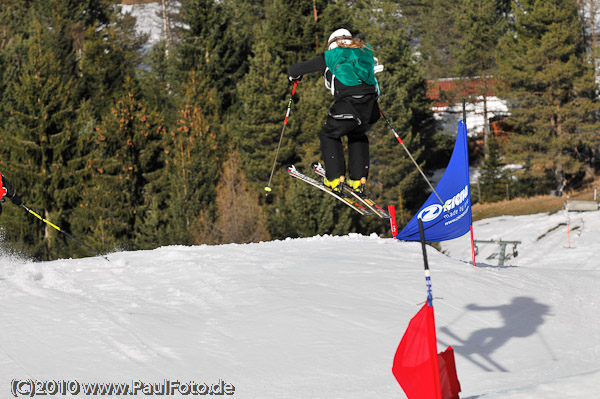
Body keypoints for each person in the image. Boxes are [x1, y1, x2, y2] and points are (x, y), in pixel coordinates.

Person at [287, 28, 382, 194]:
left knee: (329, 134)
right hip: (370, 108)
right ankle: (357, 180)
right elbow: (373, 82)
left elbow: (296, 69)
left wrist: (294, 75)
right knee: (357, 134)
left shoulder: (334, 54)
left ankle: (334, 177)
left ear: (332, 43)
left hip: (349, 104)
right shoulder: (365, 53)